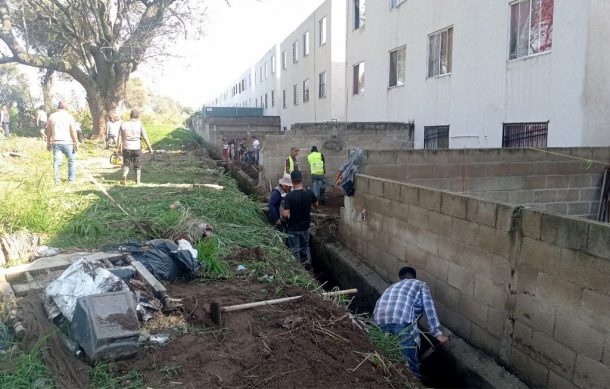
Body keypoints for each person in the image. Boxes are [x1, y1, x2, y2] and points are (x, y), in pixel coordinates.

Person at [373, 266, 450, 379]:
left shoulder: (391, 287)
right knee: (409, 369)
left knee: (384, 360)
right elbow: (429, 308)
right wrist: (437, 334)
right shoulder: (420, 284)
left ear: (400, 278)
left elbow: (378, 305)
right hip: (401, 321)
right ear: (414, 277)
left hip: (378, 322)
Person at [281, 170, 318, 269]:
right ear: (302, 180)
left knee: (295, 250)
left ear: (292, 182)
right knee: (305, 247)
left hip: (293, 228)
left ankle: (298, 270)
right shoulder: (309, 193)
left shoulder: (289, 196)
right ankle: (308, 265)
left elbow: (285, 214)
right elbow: (316, 205)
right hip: (305, 227)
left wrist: (282, 211)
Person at [117, 109, 153, 186]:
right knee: (137, 164)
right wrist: (150, 148)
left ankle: (124, 175)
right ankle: (138, 181)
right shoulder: (139, 124)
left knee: (126, 164)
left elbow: (120, 137)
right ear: (138, 116)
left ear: (130, 115)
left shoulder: (123, 124)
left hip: (126, 147)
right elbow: (145, 137)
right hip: (136, 147)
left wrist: (118, 147)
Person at [46, 101, 79, 184]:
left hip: (56, 142)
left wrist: (48, 143)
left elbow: (48, 131)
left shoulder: (52, 116)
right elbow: (73, 131)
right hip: (68, 142)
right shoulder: (69, 117)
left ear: (58, 107)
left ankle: (57, 180)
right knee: (71, 161)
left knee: (56, 161)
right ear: (66, 107)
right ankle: (71, 180)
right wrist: (76, 142)